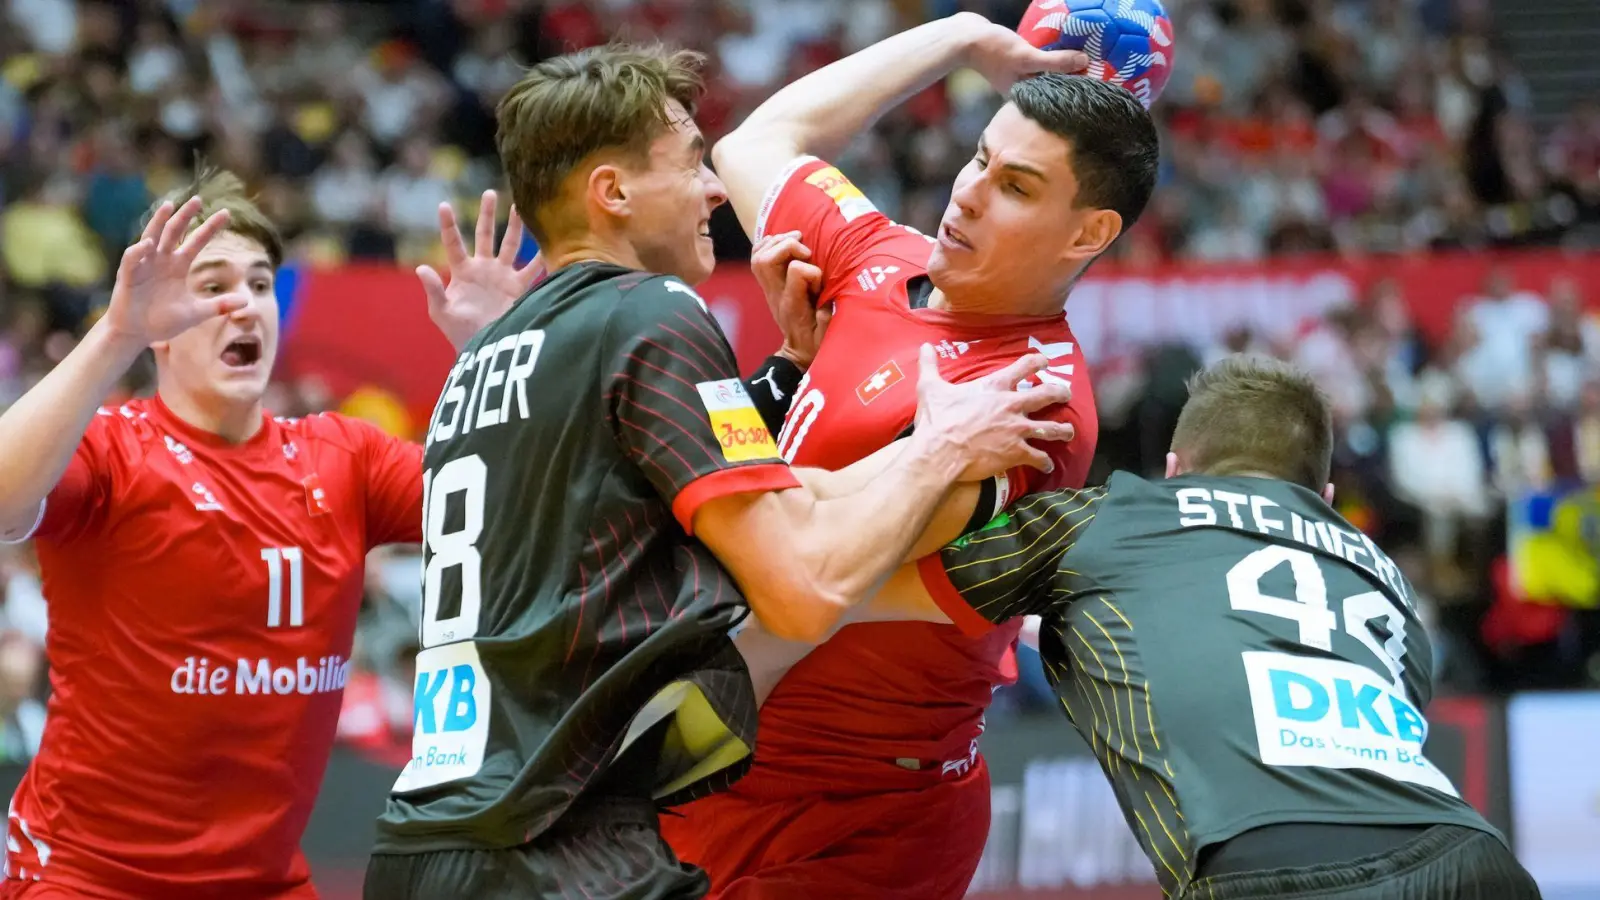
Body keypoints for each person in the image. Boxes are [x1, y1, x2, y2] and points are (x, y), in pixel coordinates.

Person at [364, 43, 1076, 900]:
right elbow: (801, 588)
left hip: (424, 835)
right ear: (613, 193)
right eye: (691, 162)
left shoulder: (487, 358)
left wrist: (787, 376)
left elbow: (685, 492)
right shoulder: (656, 311)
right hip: (556, 842)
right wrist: (940, 452)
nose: (713, 189)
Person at [661, 12, 1158, 898]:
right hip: (713, 768)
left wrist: (695, 463)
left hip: (860, 819)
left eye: (1016, 185)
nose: (967, 194)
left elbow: (806, 574)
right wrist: (961, 37)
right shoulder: (880, 260)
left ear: (1087, 234)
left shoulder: (1027, 400)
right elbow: (754, 141)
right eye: (979, 158)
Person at [859, 355, 1543, 900]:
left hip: (1265, 871)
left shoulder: (1119, 515)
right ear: (1326, 499)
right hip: (1474, 858)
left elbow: (876, 574)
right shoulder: (1384, 578)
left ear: (1174, 472)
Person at [0, 170, 481, 899]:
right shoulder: (111, 450)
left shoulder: (344, 456)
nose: (243, 304)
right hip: (87, 878)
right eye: (212, 284)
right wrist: (115, 334)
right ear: (159, 320)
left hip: (265, 883)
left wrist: (493, 356)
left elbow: (513, 506)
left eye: (260, 283)